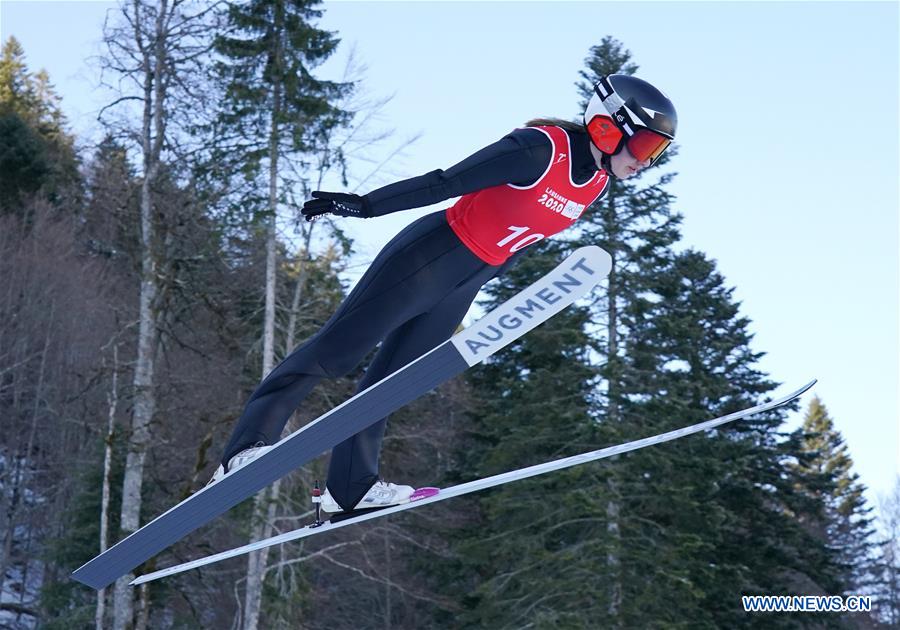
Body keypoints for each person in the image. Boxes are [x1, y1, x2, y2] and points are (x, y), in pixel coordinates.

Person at [210, 74, 678, 514]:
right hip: (427, 258)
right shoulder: (539, 149)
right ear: (608, 124)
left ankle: (349, 489)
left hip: (464, 283)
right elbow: (446, 182)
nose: (644, 161)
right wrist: (366, 206)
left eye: (655, 152)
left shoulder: (594, 184)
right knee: (336, 354)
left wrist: (477, 287)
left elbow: (518, 240)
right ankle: (244, 450)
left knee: (390, 387)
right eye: (643, 145)